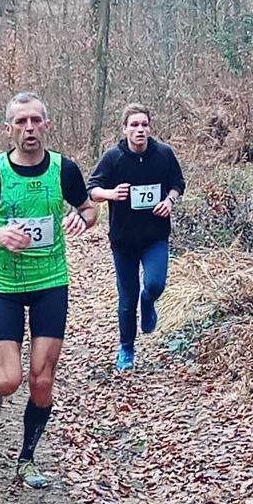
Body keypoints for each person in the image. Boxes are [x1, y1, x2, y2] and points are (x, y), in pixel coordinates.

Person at [0, 92, 96, 489]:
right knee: (9, 382)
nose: (29, 128)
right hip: (5, 286)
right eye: (21, 122)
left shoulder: (64, 169)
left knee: (41, 380)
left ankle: (27, 459)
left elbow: (90, 208)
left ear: (46, 125)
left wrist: (83, 219)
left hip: (50, 283)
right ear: (9, 129)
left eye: (36, 120)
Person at [87, 103, 185, 372]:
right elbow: (92, 189)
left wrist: (169, 200)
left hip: (155, 236)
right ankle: (126, 349)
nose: (140, 129)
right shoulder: (113, 158)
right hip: (124, 240)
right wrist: (111, 194)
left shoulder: (163, 154)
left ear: (150, 128)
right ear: (125, 129)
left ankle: (149, 299)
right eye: (134, 125)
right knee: (127, 298)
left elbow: (178, 182)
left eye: (144, 124)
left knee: (155, 284)